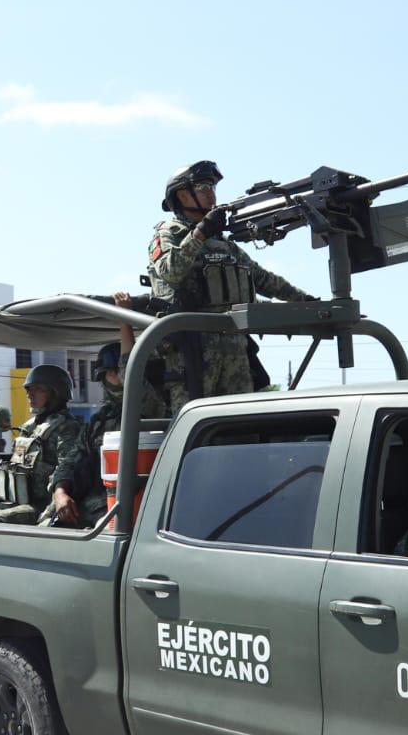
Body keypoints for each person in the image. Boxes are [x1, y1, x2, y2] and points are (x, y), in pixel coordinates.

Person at [148, 160, 316, 411]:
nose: (211, 194)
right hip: (192, 352)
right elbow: (170, 272)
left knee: (241, 426)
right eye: (204, 187)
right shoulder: (169, 234)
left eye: (213, 187)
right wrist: (200, 234)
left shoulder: (224, 245)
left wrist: (307, 302)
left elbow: (262, 279)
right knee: (196, 428)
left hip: (235, 352)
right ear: (183, 195)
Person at [0, 364, 84, 526]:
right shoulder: (30, 427)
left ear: (56, 393)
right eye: (29, 389)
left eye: (38, 389)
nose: (30, 394)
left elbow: (68, 470)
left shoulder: (67, 427)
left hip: (40, 506)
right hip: (14, 502)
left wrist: (48, 515)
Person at [76, 297, 169, 525]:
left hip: (140, 502)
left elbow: (130, 375)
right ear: (102, 378)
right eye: (111, 373)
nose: (118, 377)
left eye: (119, 371)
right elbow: (74, 458)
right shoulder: (99, 420)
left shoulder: (149, 406)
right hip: (99, 498)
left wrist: (124, 319)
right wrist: (60, 490)